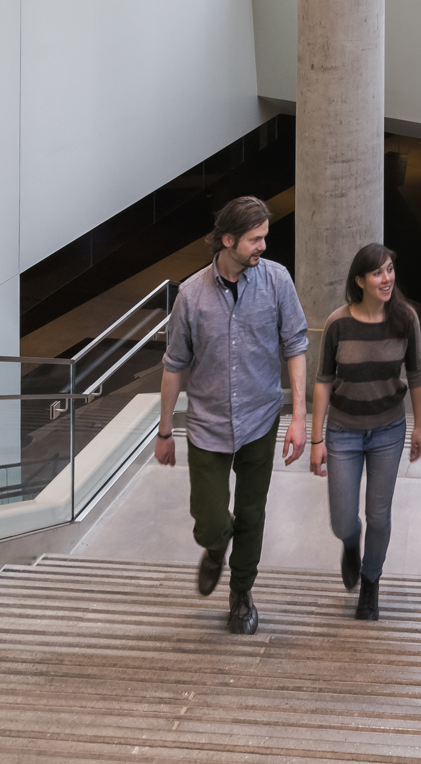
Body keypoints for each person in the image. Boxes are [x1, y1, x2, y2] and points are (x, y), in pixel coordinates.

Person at [156, 196, 308, 635]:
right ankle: (214, 545)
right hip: (206, 423)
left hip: (261, 417)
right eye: (255, 239)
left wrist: (299, 417)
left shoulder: (277, 280)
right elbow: (174, 365)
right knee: (211, 518)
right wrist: (165, 431)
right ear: (228, 241)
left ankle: (241, 593)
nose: (263, 245)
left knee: (252, 512)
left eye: (264, 237)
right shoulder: (190, 295)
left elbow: (295, 345)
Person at [310, 243, 421, 621]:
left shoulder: (406, 319)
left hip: (389, 431)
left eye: (390, 269)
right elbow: (324, 380)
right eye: (377, 272)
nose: (387, 278)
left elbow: (417, 375)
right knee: (343, 519)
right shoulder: (337, 323)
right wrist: (316, 439)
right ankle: (349, 544)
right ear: (359, 281)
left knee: (379, 515)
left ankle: (371, 581)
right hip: (342, 431)